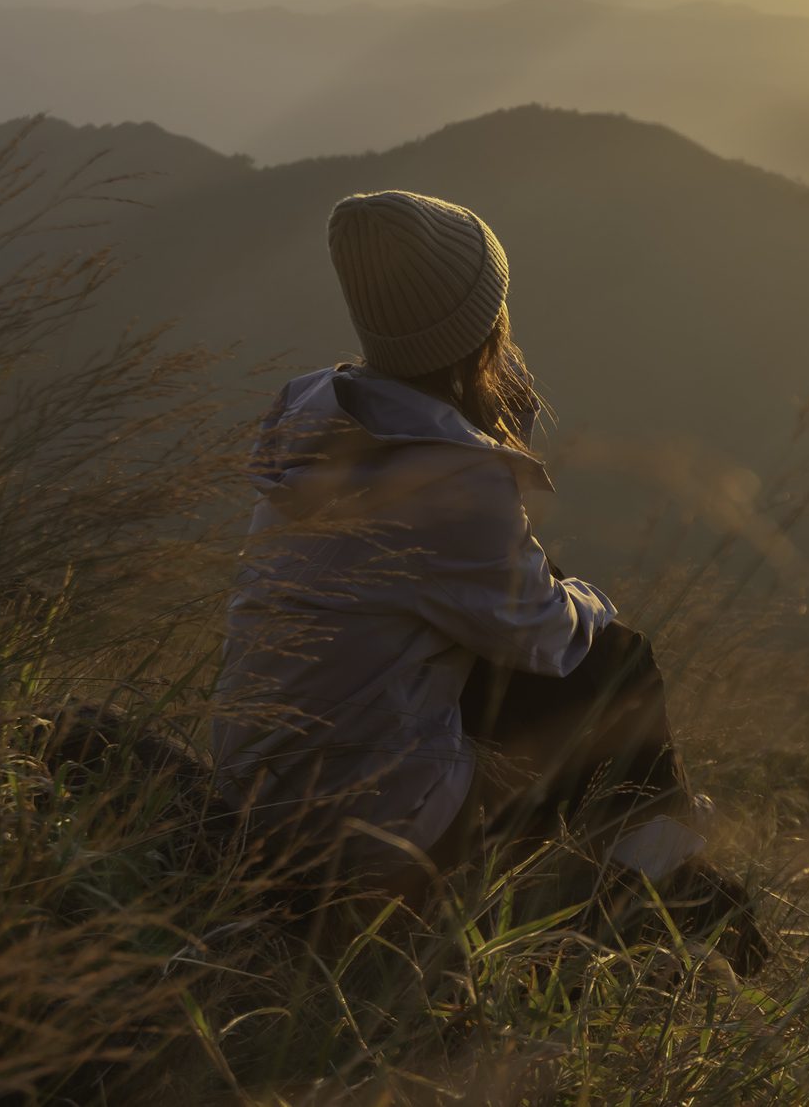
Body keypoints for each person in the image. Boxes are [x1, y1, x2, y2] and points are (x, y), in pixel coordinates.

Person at [212, 189, 764, 971]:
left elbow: (459, 594)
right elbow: (544, 636)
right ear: (479, 327)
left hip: (260, 790)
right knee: (615, 662)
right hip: (361, 831)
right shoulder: (449, 482)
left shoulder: (324, 425)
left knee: (565, 651)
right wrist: (588, 594)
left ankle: (661, 866)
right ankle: (662, 890)